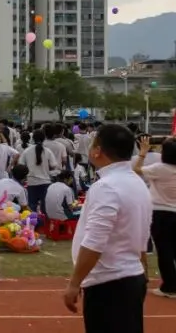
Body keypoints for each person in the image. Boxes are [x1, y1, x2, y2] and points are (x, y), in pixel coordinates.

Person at [64, 123, 152, 332]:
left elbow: (94, 242)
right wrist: (144, 274)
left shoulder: (106, 187)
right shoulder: (137, 183)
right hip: (129, 277)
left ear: (97, 151)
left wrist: (75, 282)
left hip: (109, 283)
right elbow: (141, 237)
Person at [133, 135, 176, 298]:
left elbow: (136, 170)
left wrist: (143, 153)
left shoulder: (160, 168)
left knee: (164, 251)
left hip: (161, 212)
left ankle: (170, 287)